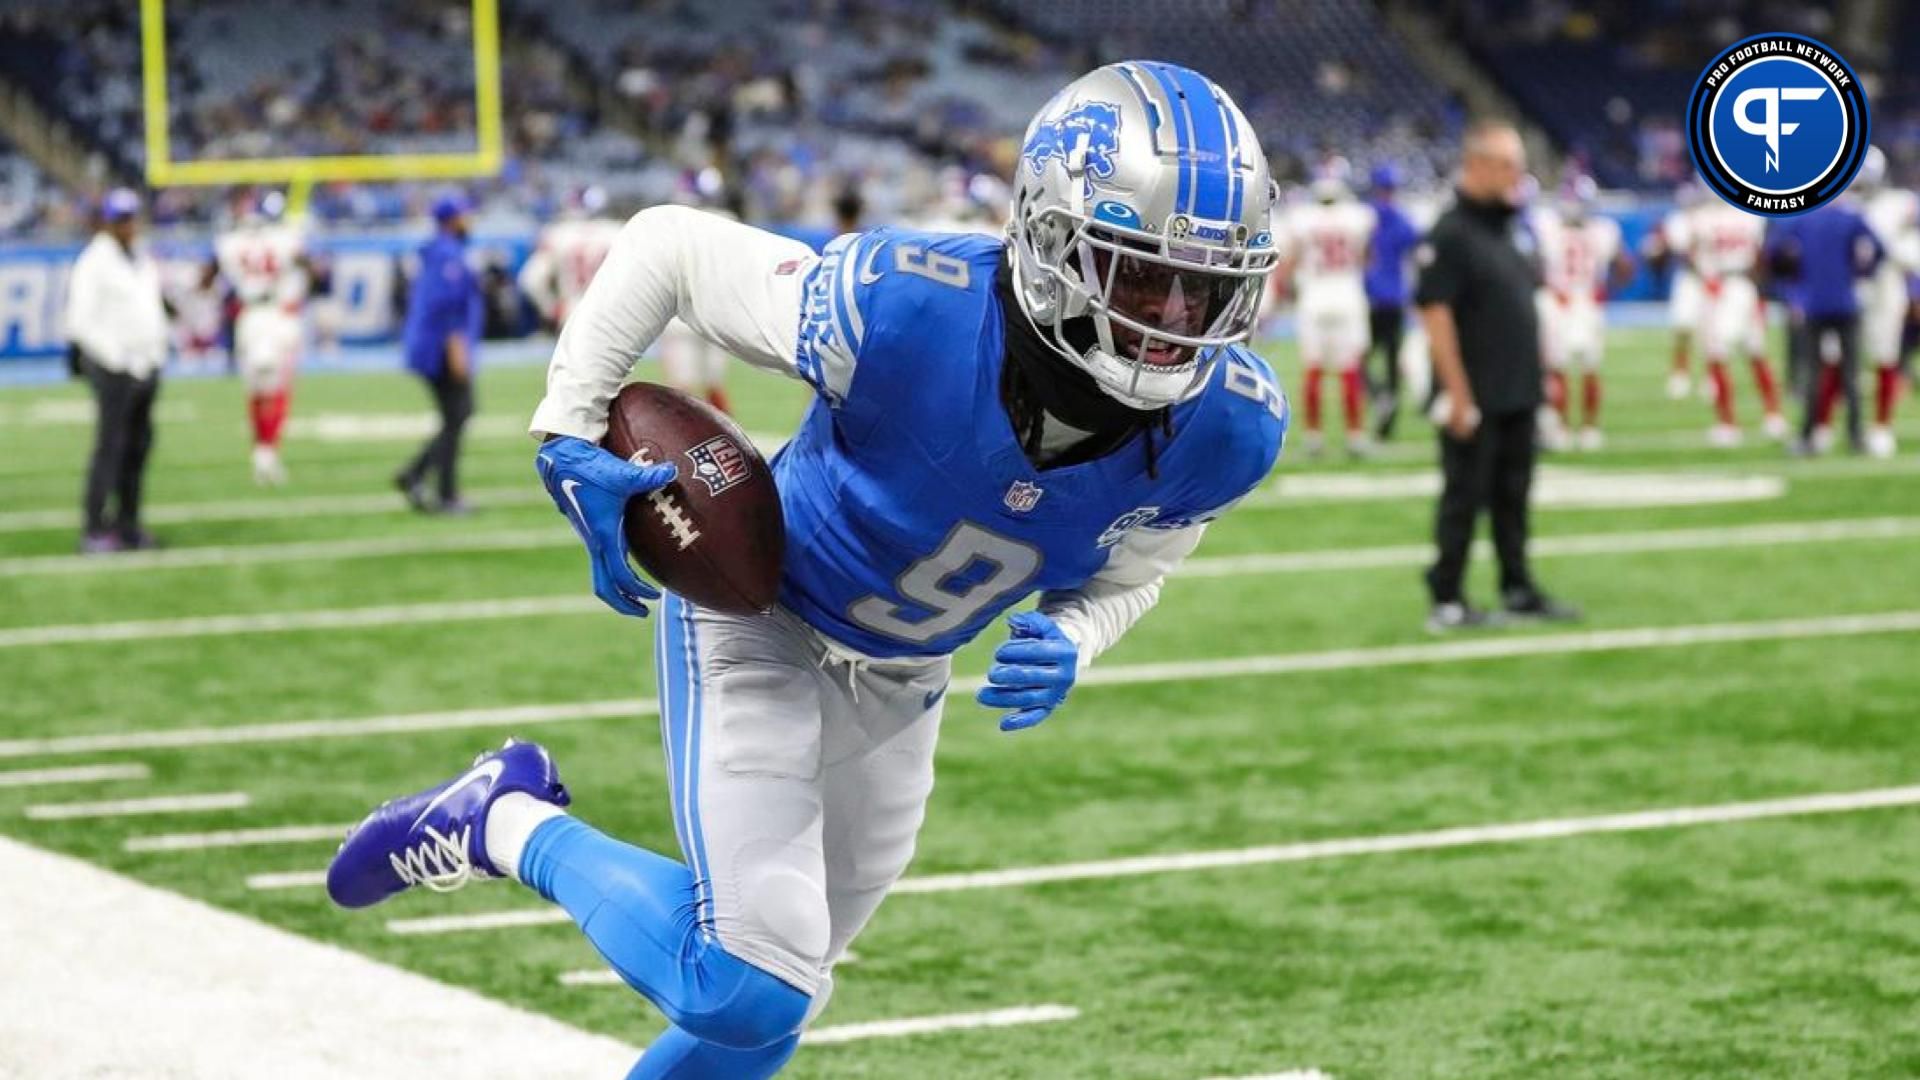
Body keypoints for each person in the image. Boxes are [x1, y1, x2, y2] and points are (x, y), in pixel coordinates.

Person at [326, 61, 1287, 1078]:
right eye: (1142, 275)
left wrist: (1080, 636)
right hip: (763, 613)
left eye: (1208, 288)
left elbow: (1136, 569)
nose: (1176, 318)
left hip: (906, 682)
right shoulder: (908, 308)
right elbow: (671, 246)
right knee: (750, 979)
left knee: (775, 1004)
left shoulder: (1227, 426)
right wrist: (568, 421)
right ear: (1049, 237)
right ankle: (503, 818)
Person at [1417, 120, 1578, 631]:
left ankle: (1517, 586)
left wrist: (1541, 378)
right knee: (1464, 498)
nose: (1518, 174)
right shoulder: (1451, 232)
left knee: (1514, 497)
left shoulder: (1511, 226)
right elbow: (1436, 316)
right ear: (1478, 164)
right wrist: (1458, 394)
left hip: (1517, 390)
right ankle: (1448, 595)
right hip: (1476, 394)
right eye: (1508, 164)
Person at [65, 189, 169, 554]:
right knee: (110, 447)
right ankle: (94, 527)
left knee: (138, 448)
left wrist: (155, 354)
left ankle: (128, 524)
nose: (128, 225)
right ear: (108, 221)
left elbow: (151, 309)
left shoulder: (141, 256)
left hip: (146, 365)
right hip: (114, 369)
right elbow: (80, 322)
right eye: (121, 218)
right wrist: (117, 360)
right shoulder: (93, 262)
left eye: (131, 217)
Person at [1768, 198, 1883, 455]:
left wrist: (1793, 285)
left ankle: (1808, 436)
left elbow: (1774, 253)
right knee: (1851, 375)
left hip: (1813, 304)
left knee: (1813, 375)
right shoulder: (1850, 218)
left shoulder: (1802, 219)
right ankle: (1856, 437)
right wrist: (1862, 272)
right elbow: (1878, 248)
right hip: (1845, 301)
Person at [395, 194, 484, 513]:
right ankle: (444, 493)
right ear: (451, 219)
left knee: (457, 416)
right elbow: (447, 307)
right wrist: (456, 349)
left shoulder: (441, 251)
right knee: (458, 414)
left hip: (433, 346)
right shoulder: (448, 254)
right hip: (441, 348)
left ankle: (415, 474)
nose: (469, 221)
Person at [215, 189, 309, 485]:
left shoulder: (232, 241)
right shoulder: (287, 238)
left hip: (249, 317)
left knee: (256, 390)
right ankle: (269, 451)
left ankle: (261, 451)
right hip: (277, 316)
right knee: (278, 389)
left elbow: (215, 273)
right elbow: (309, 267)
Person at [1533, 176, 1632, 450]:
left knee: (1561, 368)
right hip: (1583, 301)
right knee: (1582, 368)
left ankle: (1566, 428)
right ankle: (1587, 428)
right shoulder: (1602, 229)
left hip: (1560, 299)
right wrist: (1607, 289)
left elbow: (1533, 264)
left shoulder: (1547, 226)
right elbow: (1626, 266)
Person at [1279, 173, 1375, 456]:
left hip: (1314, 296)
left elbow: (1291, 260)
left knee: (1313, 369)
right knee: (1349, 369)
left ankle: (1313, 437)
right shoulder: (1357, 217)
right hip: (1347, 295)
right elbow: (1366, 256)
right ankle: (1355, 436)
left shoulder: (1302, 218)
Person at [1683, 198, 1787, 447]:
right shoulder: (1749, 216)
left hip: (1719, 289)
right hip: (1745, 287)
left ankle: (1727, 424)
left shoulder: (1703, 218)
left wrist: (1706, 277)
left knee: (1718, 357)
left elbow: (1692, 255)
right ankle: (1774, 417)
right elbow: (1760, 258)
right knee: (1756, 354)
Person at [1854, 147, 1918, 457]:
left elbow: (1911, 253)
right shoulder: (1841, 204)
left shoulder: (1899, 203)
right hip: (1850, 287)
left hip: (1887, 286)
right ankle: (1827, 426)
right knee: (1835, 358)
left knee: (1886, 357)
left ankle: (1881, 426)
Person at [1363, 163, 1420, 438]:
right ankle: (1388, 420)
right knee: (1392, 360)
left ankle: (1378, 396)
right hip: (1395, 297)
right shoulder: (1403, 219)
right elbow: (1419, 251)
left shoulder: (1366, 217)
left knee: (1359, 359)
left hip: (1370, 298)